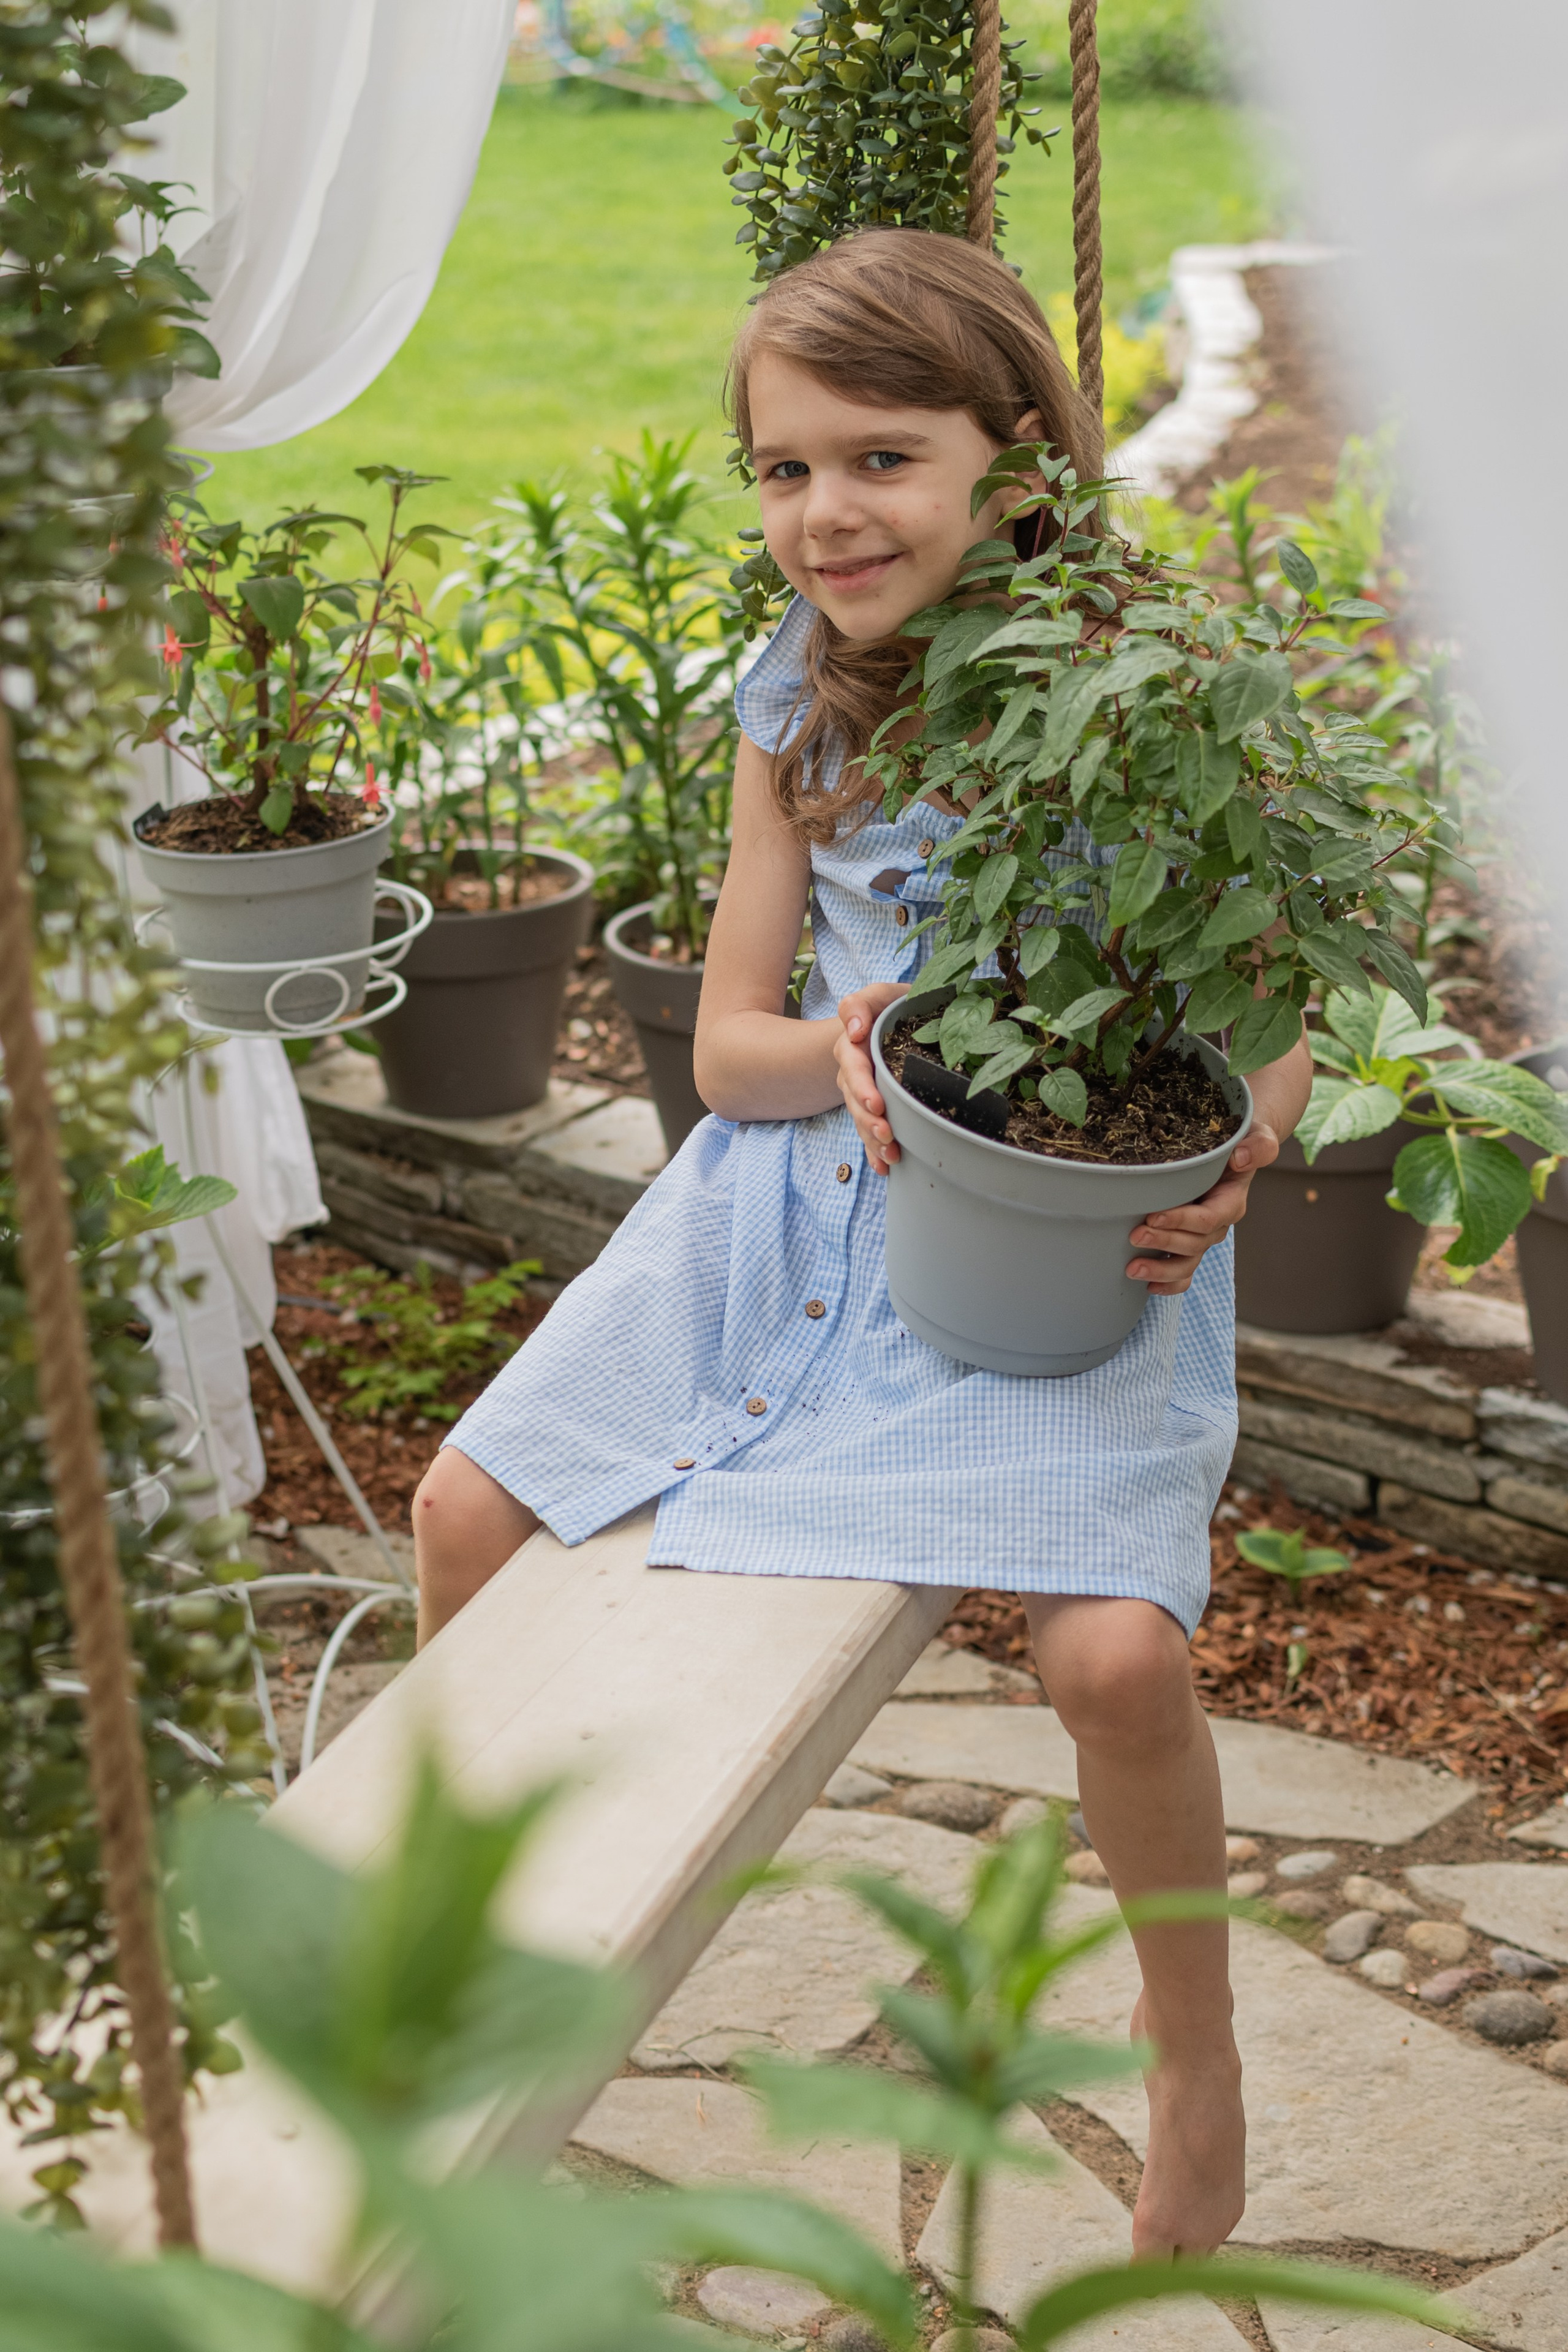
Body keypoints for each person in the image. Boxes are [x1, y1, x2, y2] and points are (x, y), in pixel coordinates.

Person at [413, 227, 1311, 2256]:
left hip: (1066, 1219)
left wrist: (1239, 1154)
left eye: (883, 458)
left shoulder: (1153, 696)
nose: (824, 511)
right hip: (781, 1202)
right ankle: (493, 1945)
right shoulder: (791, 703)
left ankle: (1194, 2049)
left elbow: (1270, 1018)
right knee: (464, 1510)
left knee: (1114, 1655)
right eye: (783, 466)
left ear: (1023, 461)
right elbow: (730, 1051)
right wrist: (838, 1054)